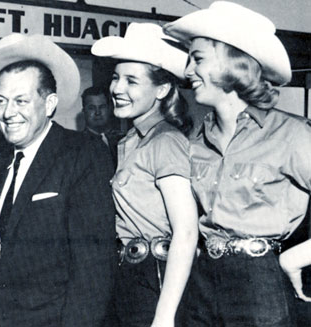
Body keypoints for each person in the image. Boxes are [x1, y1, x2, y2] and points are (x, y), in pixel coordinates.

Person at [164, 2, 310, 326]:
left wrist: (298, 257)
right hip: (202, 278)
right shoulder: (195, 141)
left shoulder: (292, 134)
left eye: (198, 58)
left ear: (233, 62)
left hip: (260, 282)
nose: (187, 72)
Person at [0, 33, 116, 327]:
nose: (8, 113)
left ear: (49, 104)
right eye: (1, 101)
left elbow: (93, 267)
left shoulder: (82, 154)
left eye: (21, 101)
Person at [92, 23, 198, 327]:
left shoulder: (165, 141)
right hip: (130, 275)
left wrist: (164, 317)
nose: (117, 89)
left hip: (157, 278)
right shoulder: (130, 141)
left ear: (162, 90)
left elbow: (186, 232)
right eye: (115, 78)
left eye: (132, 81)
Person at [80, 85, 124, 167]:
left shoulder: (124, 140)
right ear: (84, 111)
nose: (97, 112)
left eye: (102, 107)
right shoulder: (77, 146)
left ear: (109, 109)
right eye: (91, 108)